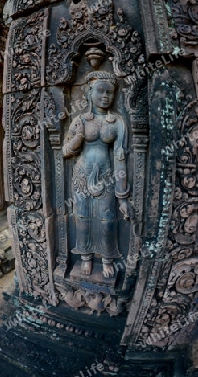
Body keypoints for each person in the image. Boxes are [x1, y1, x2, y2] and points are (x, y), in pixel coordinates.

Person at [63, 71, 130, 278]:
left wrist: (123, 197)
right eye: (100, 91)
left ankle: (108, 259)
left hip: (107, 176)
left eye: (109, 92)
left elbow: (120, 158)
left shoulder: (117, 122)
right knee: (81, 217)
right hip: (82, 175)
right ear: (88, 92)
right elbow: (65, 151)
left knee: (107, 219)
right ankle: (86, 257)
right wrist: (78, 138)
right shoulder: (80, 120)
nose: (105, 96)